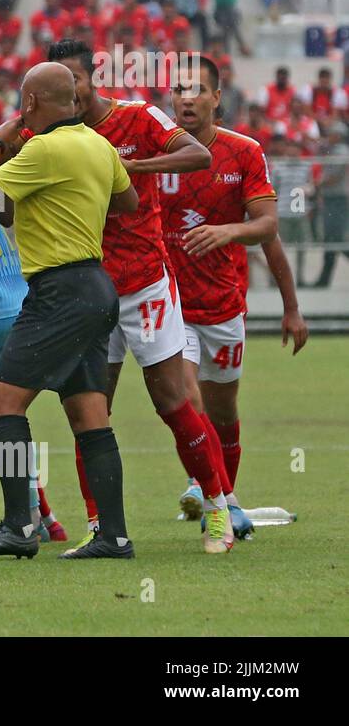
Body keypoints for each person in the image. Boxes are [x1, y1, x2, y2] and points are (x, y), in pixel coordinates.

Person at [48, 39, 237, 555]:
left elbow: (197, 154)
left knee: (171, 400)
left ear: (92, 79)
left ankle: (218, 508)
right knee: (90, 409)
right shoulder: (52, 128)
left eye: (75, 81)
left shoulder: (137, 117)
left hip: (145, 285)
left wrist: (131, 169)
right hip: (89, 289)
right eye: (59, 84)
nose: (69, 92)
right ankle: (100, 526)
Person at [0, 61, 139, 560]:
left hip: (57, 292)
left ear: (31, 103)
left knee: (1, 406)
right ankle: (114, 536)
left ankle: (20, 526)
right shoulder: (98, 145)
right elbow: (129, 201)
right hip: (97, 288)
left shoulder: (41, 148)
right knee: (89, 415)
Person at [159, 56, 307, 533]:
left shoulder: (243, 152)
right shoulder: (157, 152)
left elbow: (268, 228)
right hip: (171, 303)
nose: (185, 97)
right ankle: (215, 497)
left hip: (223, 305)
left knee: (222, 413)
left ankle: (222, 495)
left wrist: (291, 306)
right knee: (187, 399)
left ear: (216, 98)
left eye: (196, 89)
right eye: (179, 89)